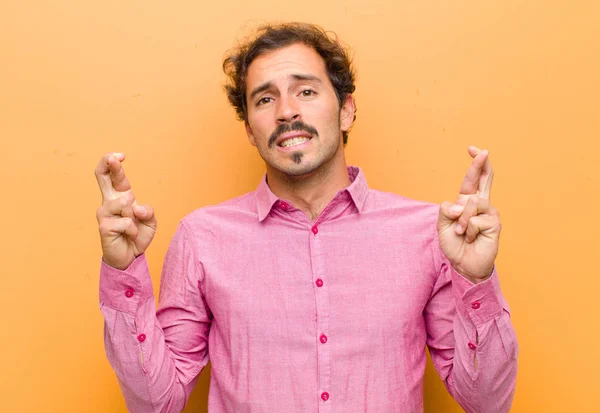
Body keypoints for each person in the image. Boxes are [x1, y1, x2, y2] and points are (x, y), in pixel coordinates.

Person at [95, 22, 517, 413]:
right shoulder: (202, 238)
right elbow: (156, 403)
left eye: (306, 92)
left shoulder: (426, 233)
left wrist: (477, 280)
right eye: (264, 98)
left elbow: (485, 403)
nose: (286, 111)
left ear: (347, 110)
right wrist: (122, 269)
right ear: (250, 129)